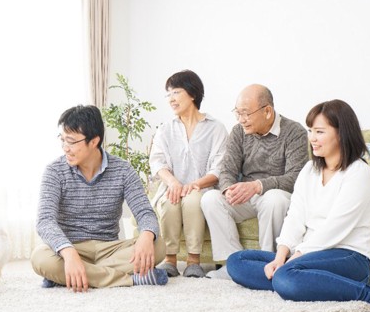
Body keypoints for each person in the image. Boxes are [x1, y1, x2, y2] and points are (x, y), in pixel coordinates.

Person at [226, 100, 370, 312]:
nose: (312, 139)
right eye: (310, 131)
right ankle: (307, 281)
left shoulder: (358, 173)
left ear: (341, 133)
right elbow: (295, 216)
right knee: (237, 261)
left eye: (319, 132)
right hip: (306, 256)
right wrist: (281, 257)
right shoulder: (310, 170)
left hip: (348, 256)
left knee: (286, 276)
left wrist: (297, 257)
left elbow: (336, 227)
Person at [31, 105, 167, 292]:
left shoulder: (123, 170)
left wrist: (146, 235)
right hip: (72, 248)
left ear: (94, 141)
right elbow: (45, 221)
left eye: (71, 142)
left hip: (109, 249)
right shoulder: (54, 171)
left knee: (158, 245)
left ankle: (64, 277)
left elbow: (145, 212)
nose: (65, 148)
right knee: (40, 258)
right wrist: (69, 254)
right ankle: (133, 280)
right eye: (62, 140)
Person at [201, 84, 308, 278]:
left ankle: (268, 262)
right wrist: (228, 190)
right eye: (238, 113)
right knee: (210, 198)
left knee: (274, 199)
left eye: (246, 114)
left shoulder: (294, 132)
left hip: (275, 194)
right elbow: (227, 170)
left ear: (267, 111)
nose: (241, 120)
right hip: (247, 196)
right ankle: (232, 264)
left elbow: (296, 177)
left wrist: (259, 186)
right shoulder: (238, 132)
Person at [149, 70, 227, 278]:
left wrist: (194, 185)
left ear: (192, 94)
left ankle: (194, 260)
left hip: (203, 188)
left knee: (193, 201)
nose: (171, 99)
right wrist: (173, 183)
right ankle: (170, 259)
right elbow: (156, 162)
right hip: (172, 186)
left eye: (176, 92)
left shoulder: (216, 128)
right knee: (169, 201)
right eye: (168, 94)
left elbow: (219, 167)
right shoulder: (165, 129)